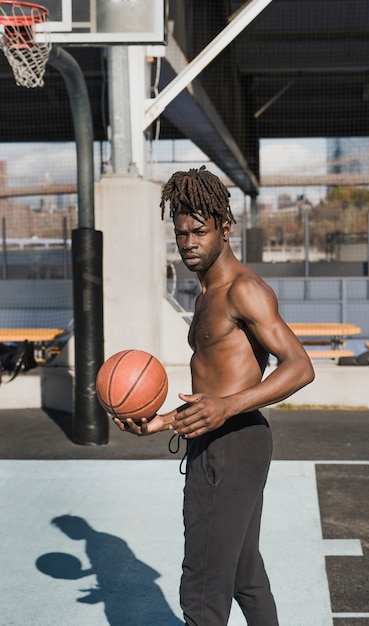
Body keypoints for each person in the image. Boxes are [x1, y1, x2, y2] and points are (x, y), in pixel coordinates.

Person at [114, 166, 315, 626]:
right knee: (245, 575)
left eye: (199, 232)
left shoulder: (244, 290)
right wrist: (163, 421)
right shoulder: (206, 291)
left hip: (235, 444)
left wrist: (226, 407)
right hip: (219, 439)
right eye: (180, 233)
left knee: (202, 588)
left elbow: (301, 367)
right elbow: (213, 390)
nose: (188, 242)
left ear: (225, 228)